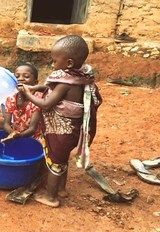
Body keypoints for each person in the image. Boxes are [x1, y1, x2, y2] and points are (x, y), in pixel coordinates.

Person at [20, 35, 102, 207]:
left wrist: (28, 94)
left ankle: (51, 197)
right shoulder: (80, 76)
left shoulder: (66, 83)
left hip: (61, 132)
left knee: (54, 162)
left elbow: (47, 103)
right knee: (62, 159)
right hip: (72, 131)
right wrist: (38, 88)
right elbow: (53, 90)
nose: (52, 64)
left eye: (54, 60)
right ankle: (62, 189)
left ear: (69, 63)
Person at [0, 64, 43, 142]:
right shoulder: (11, 98)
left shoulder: (38, 98)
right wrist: (13, 133)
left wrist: (20, 135)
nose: (20, 79)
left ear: (35, 82)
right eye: (17, 76)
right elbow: (6, 124)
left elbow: (33, 129)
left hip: (33, 136)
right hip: (17, 130)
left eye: (26, 76)